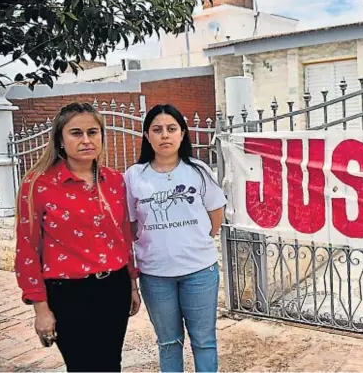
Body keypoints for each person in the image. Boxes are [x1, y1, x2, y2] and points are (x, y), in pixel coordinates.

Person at [14, 102, 141, 372]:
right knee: (83, 366)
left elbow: (123, 236)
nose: (86, 140)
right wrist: (40, 308)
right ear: (60, 139)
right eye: (76, 133)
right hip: (68, 294)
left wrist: (131, 284)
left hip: (113, 289)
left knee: (110, 364)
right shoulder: (38, 184)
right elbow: (27, 248)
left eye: (93, 132)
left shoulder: (114, 181)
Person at [124, 104, 226, 372]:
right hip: (155, 276)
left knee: (204, 341)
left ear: (182, 133)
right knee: (168, 342)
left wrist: (195, 239)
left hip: (199, 272)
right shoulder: (134, 176)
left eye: (171, 129)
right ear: (147, 136)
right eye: (157, 130)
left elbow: (216, 214)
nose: (165, 135)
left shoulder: (199, 171)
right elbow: (131, 226)